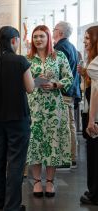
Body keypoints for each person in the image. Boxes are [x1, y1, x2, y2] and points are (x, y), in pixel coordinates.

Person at [0, 26, 34, 211]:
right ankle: (12, 206)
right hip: (18, 119)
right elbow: (30, 87)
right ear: (13, 40)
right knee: (15, 163)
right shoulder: (20, 61)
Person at [26, 25, 73, 198]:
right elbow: (21, 82)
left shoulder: (59, 56)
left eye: (41, 36)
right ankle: (37, 181)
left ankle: (50, 182)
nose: (38, 39)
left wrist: (55, 84)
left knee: (53, 142)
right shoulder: (28, 59)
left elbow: (69, 77)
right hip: (34, 107)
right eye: (35, 36)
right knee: (35, 141)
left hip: (55, 106)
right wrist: (33, 83)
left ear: (48, 38)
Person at [53, 21, 80, 169]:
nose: (52, 31)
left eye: (54, 29)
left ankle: (68, 158)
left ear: (60, 33)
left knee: (66, 125)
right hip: (71, 90)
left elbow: (58, 73)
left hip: (63, 92)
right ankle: (71, 157)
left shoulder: (60, 48)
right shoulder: (71, 46)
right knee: (70, 124)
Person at [78, 25, 98, 206]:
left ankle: (95, 193)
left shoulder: (96, 63)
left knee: (94, 155)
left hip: (96, 118)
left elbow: (95, 93)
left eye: (87, 38)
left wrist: (91, 120)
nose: (84, 41)